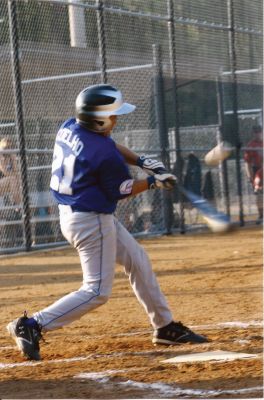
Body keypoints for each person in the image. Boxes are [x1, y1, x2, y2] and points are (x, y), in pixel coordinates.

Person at [7, 84, 208, 361]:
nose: (116, 120)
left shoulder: (71, 126)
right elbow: (121, 189)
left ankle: (165, 327)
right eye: (113, 116)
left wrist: (143, 161)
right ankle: (31, 325)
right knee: (96, 291)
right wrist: (152, 182)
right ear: (99, 118)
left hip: (76, 212)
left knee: (138, 260)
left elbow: (108, 145)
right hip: (91, 222)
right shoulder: (102, 153)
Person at [244, 125, 263, 224]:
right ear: (253, 133)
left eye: (259, 131)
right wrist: (250, 177)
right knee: (259, 194)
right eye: (256, 132)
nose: (258, 134)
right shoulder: (250, 145)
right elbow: (247, 163)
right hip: (256, 170)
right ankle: (261, 215)